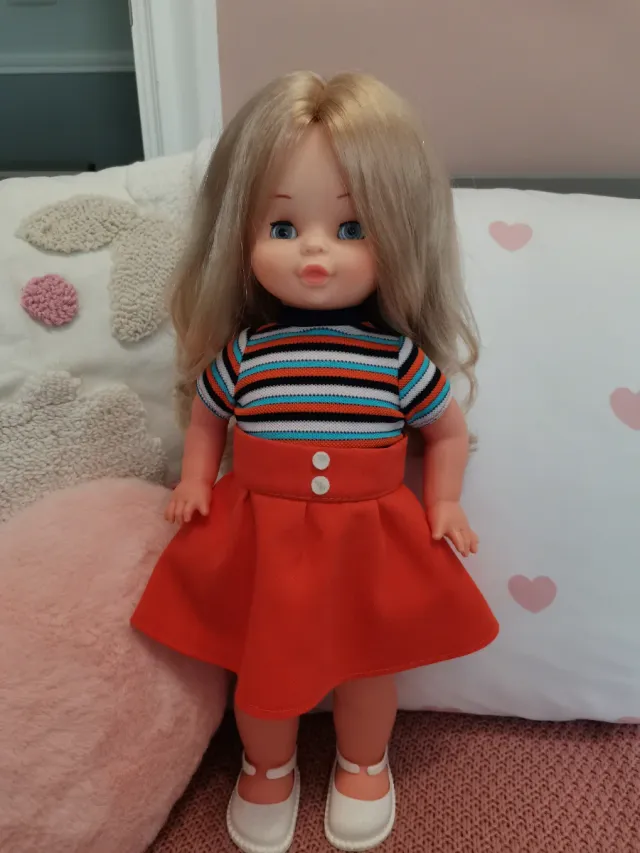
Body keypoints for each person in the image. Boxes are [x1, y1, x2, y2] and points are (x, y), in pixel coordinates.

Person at [131, 71, 499, 853]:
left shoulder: (395, 358)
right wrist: (196, 479)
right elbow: (208, 414)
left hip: (370, 540)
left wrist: (444, 502)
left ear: (397, 236)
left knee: (369, 665)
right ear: (241, 235)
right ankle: (267, 765)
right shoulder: (247, 352)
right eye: (283, 227)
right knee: (262, 665)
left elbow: (446, 431)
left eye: (351, 228)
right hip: (262, 537)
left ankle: (364, 760)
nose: (316, 253)